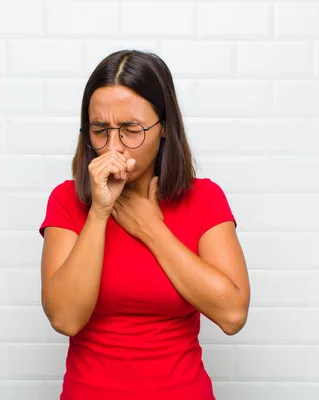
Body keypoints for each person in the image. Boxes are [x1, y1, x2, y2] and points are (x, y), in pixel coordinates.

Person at [39, 50, 250, 400]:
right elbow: (65, 318)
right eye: (99, 130)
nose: (113, 147)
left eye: (130, 130)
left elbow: (232, 314)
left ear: (164, 126)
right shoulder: (66, 201)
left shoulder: (205, 199)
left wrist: (152, 229)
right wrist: (99, 213)